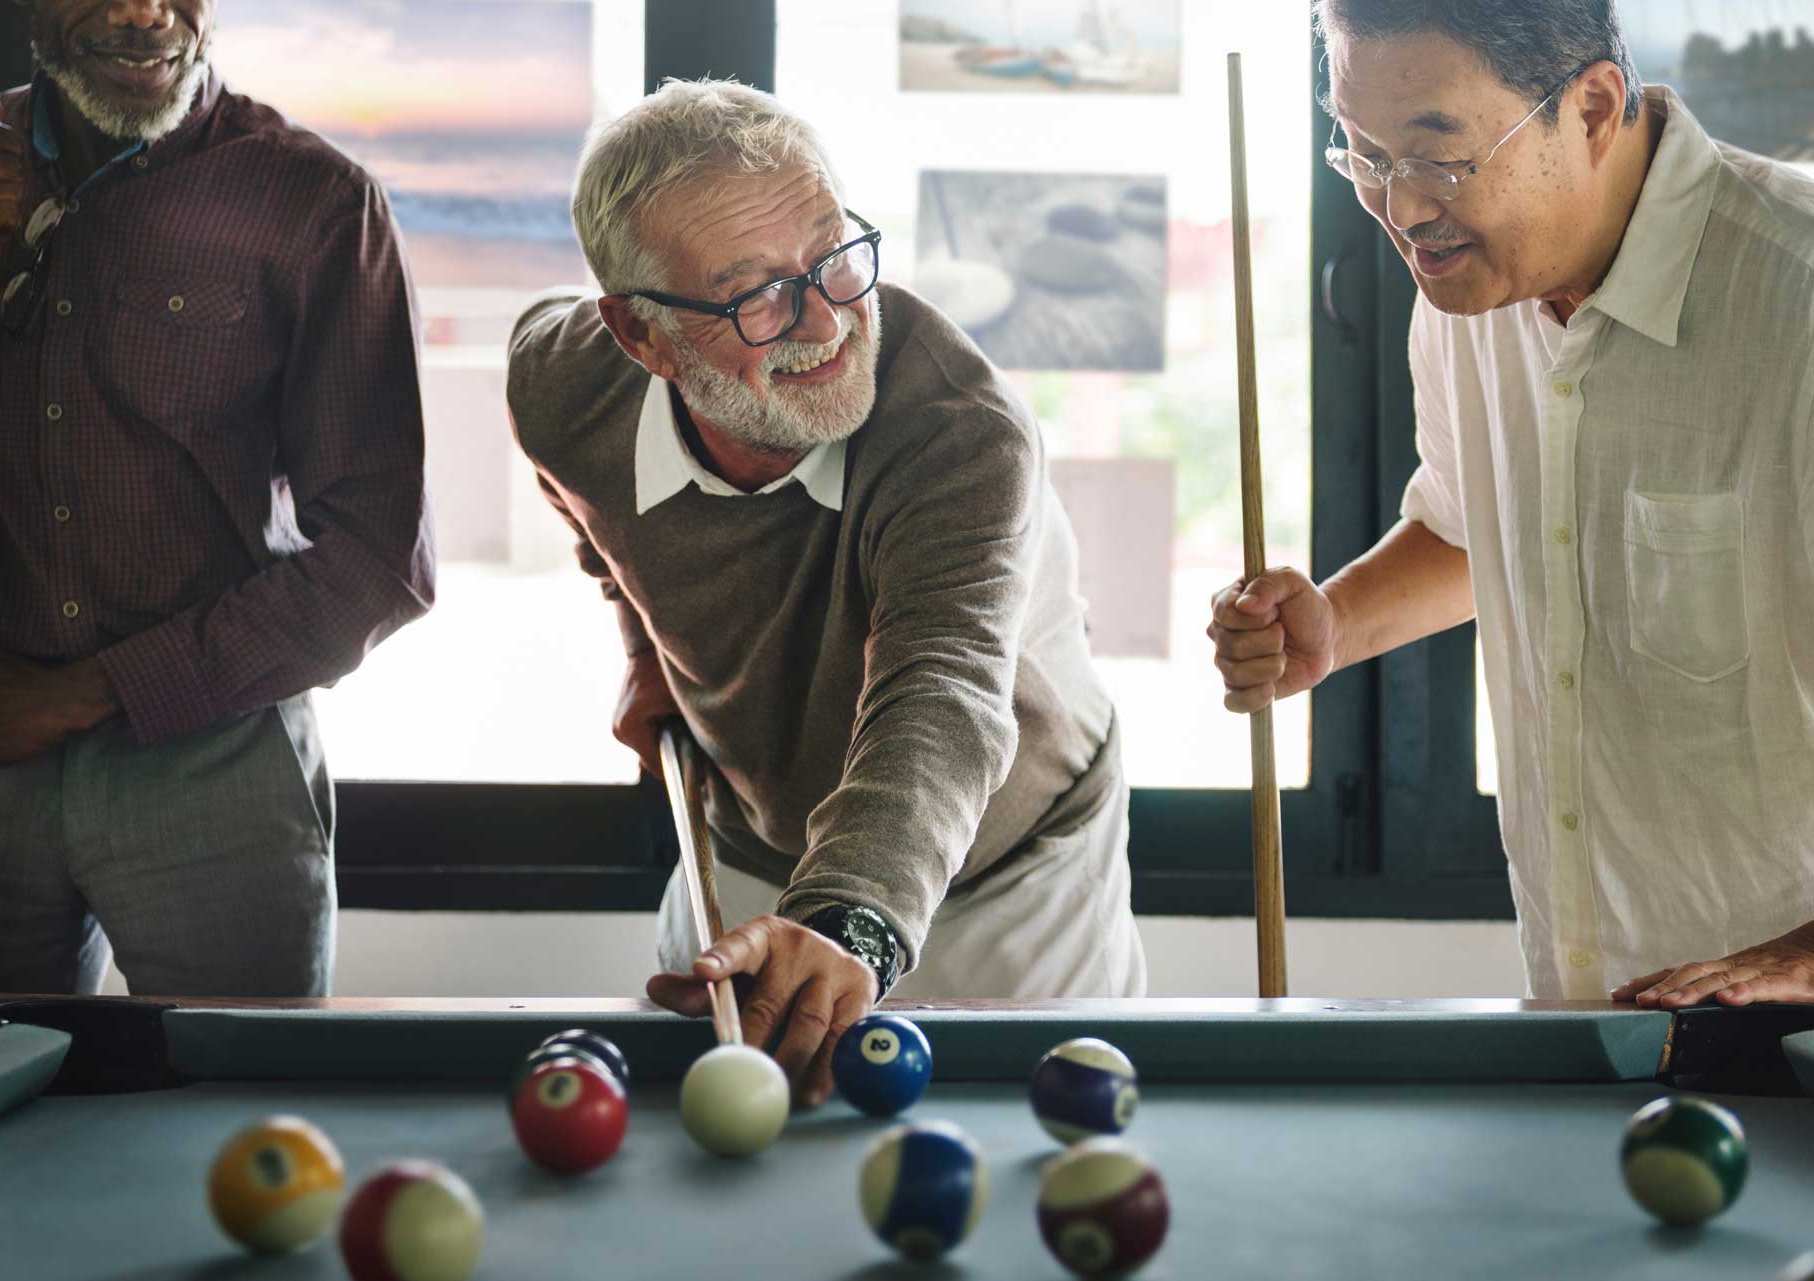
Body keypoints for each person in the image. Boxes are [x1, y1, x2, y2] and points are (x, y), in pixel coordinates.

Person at [509, 79, 1145, 1105]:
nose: (826, 320)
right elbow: (583, 501)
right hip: (755, 845)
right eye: (754, 291)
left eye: (834, 256)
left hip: (1011, 870)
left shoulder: (960, 431)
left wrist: (845, 923)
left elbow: (940, 697)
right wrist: (641, 647)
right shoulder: (563, 383)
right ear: (641, 337)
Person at [1209, 0, 1814, 1005]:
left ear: (1590, 108)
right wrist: (1337, 622)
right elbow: (1474, 523)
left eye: (1439, 156)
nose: (1400, 210)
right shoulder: (1466, 287)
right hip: (1587, 1012)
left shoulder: (1796, 304)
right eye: (1361, 153)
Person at [0, 0, 434, 995]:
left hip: (217, 763)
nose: (146, 12)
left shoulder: (315, 199)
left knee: (237, 1125)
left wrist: (69, 701)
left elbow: (377, 565)